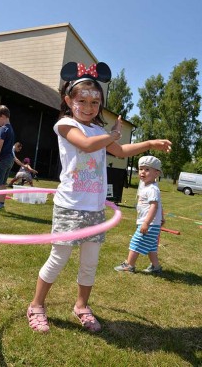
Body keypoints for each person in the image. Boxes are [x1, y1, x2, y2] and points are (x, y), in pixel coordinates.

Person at [26, 61, 172, 333]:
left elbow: (120, 150)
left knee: (90, 263)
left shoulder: (98, 130)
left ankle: (82, 306)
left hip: (94, 208)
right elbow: (86, 145)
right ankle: (36, 306)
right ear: (69, 100)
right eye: (83, 100)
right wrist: (112, 134)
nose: (90, 107)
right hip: (70, 205)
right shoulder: (65, 125)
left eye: (96, 102)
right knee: (58, 258)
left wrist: (149, 143)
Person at [114, 155, 165, 274]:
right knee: (151, 247)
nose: (142, 172)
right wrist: (162, 217)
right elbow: (160, 204)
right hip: (151, 223)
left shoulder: (152, 188)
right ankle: (156, 267)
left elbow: (154, 205)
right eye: (141, 169)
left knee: (135, 242)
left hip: (149, 224)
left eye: (147, 169)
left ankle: (129, 265)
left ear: (156, 173)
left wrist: (146, 223)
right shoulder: (147, 187)